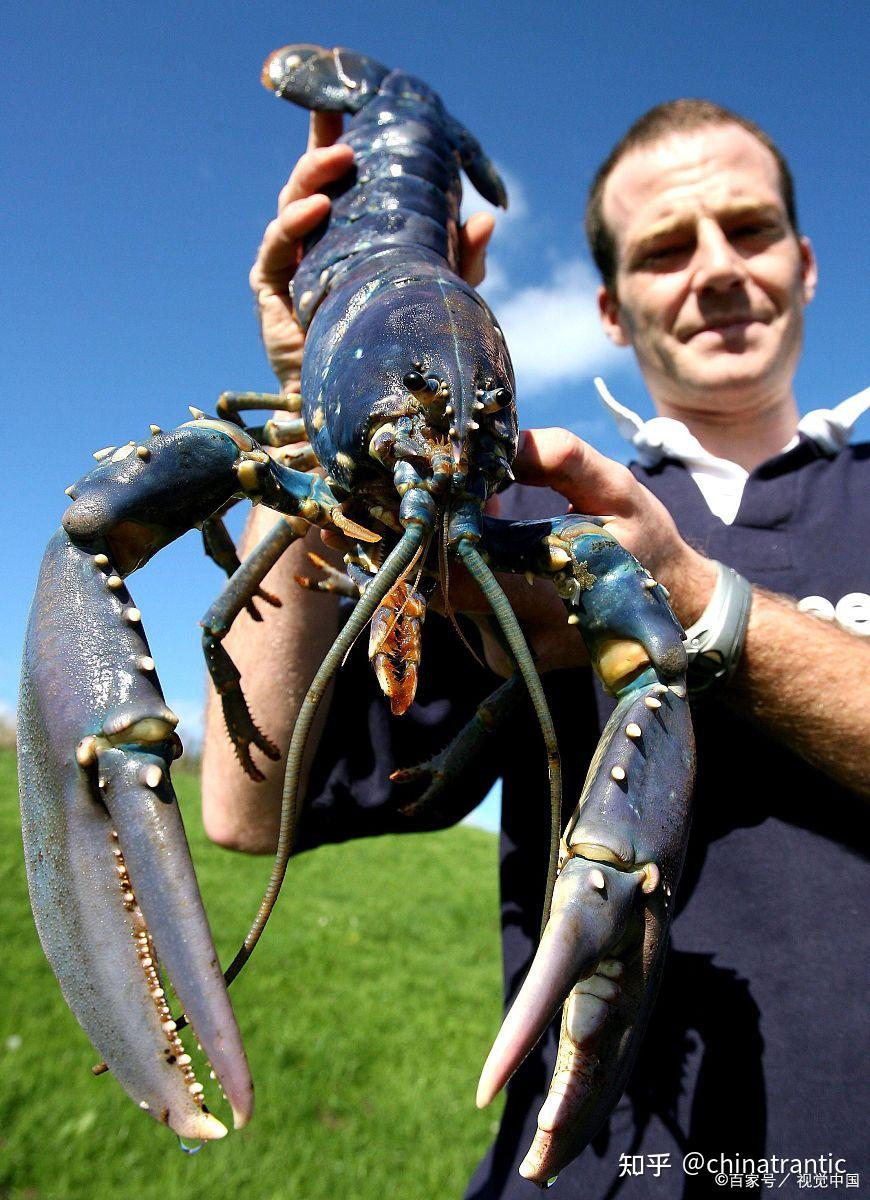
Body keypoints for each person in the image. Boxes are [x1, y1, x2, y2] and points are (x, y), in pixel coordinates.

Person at [202, 102, 870, 1196]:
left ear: (803, 265)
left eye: (747, 231)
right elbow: (245, 805)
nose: (713, 271)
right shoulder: (516, 532)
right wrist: (308, 422)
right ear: (608, 307)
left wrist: (697, 600)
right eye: (664, 248)